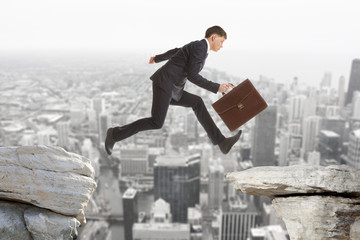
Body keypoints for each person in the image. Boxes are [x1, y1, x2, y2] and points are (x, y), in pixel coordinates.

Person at [105, 26, 241, 155]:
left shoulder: (198, 46)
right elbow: (193, 76)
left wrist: (157, 59)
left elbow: (177, 51)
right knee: (156, 122)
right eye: (221, 41)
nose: (222, 45)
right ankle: (114, 134)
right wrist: (217, 87)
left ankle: (221, 142)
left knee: (197, 102)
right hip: (165, 84)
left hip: (173, 88)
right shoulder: (200, 47)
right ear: (213, 37)